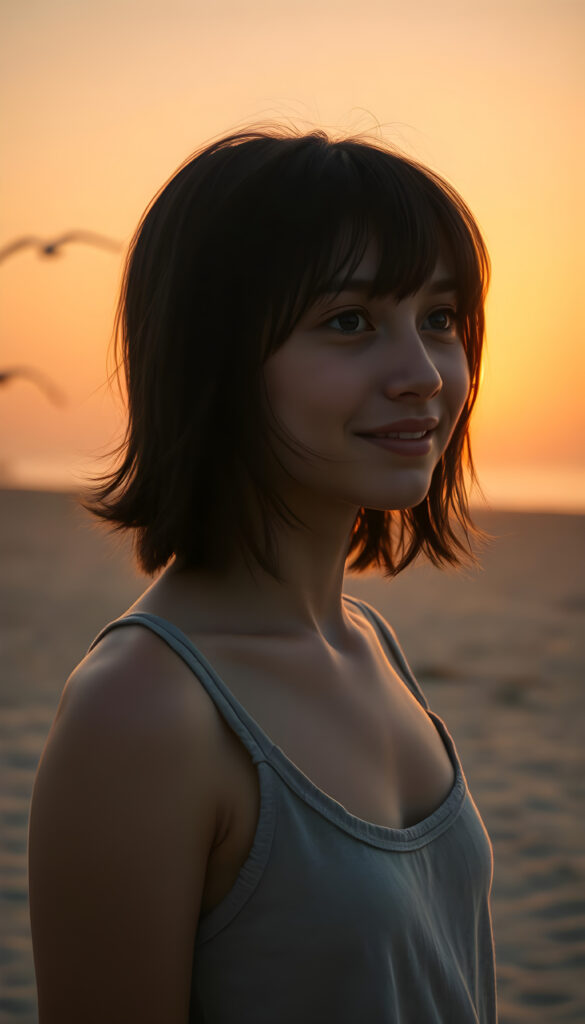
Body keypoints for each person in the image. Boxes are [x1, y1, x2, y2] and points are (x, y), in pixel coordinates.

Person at [28, 122, 496, 1023]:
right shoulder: (141, 712)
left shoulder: (368, 644)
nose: (424, 374)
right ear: (213, 357)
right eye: (349, 321)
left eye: (439, 319)